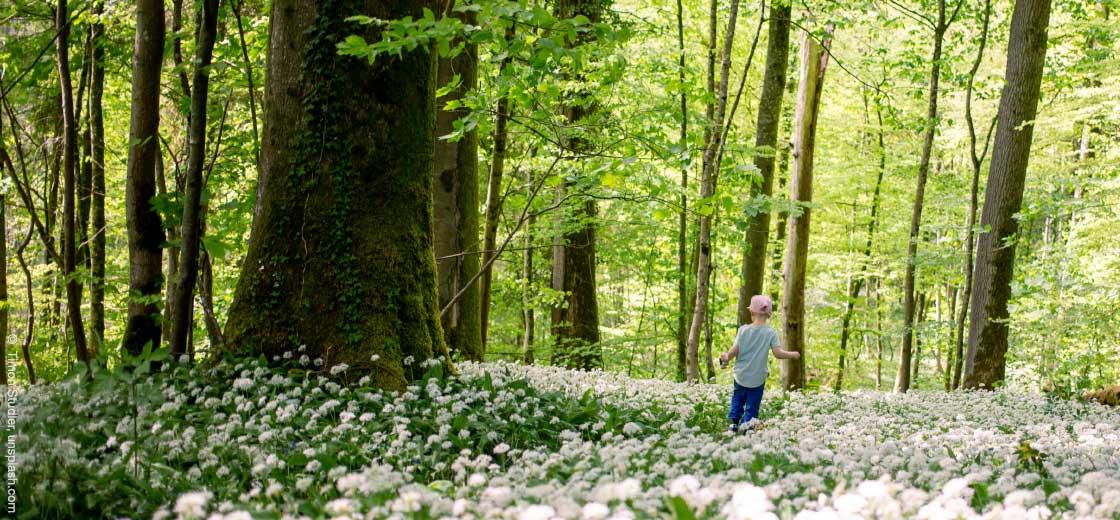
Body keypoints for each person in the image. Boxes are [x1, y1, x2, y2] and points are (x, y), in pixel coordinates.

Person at [718, 295, 800, 433]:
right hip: (757, 377)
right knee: (752, 404)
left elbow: (735, 349)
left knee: (737, 398)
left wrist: (727, 356)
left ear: (751, 313)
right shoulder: (770, 333)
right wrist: (792, 354)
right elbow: (777, 353)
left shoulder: (743, 330)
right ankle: (748, 427)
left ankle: (733, 423)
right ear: (768, 315)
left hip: (741, 375)